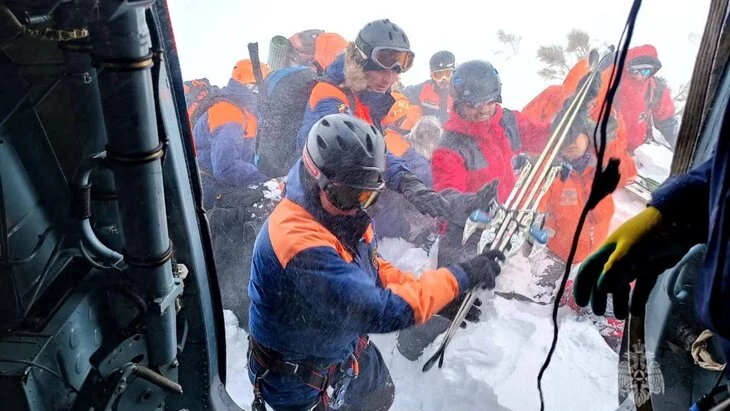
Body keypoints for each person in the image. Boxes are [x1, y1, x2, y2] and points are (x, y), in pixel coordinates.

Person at [246, 114, 504, 410]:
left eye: (368, 196)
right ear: (316, 177)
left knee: (379, 395)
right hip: (296, 377)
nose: (356, 208)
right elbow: (376, 310)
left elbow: (372, 268)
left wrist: (438, 298)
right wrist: (458, 278)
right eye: (347, 196)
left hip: (341, 345)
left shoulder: (335, 213)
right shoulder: (297, 240)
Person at [295, 19, 453, 221]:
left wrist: (414, 183)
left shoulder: (370, 98)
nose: (389, 79)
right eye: (380, 70)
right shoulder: (329, 96)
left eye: (395, 71)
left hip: (346, 195)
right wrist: (406, 183)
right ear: (359, 63)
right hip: (316, 202)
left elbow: (382, 148)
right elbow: (362, 152)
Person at [431, 59, 551, 266]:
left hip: (509, 224)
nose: (483, 110)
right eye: (473, 104)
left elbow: (544, 136)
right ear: (458, 102)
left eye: (489, 101)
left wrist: (573, 122)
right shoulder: (450, 147)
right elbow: (446, 196)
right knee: (467, 279)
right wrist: (472, 204)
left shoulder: (508, 122)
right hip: (467, 234)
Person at [193, 58, 272, 209]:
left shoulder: (246, 112)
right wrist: (264, 179)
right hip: (208, 190)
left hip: (220, 184)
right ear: (251, 87)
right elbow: (226, 168)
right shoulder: (229, 113)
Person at [370, 116, 442, 244]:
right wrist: (406, 227)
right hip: (381, 218)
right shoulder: (421, 167)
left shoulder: (393, 139)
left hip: (367, 204)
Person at [615, 44, 679, 151]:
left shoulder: (656, 89)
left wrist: (683, 147)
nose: (640, 76)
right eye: (635, 71)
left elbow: (667, 123)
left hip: (636, 152)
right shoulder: (612, 81)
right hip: (606, 147)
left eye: (646, 71)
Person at [403, 50, 455, 124]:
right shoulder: (426, 88)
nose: (443, 80)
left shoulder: (459, 93)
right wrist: (417, 119)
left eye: (447, 74)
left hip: (451, 130)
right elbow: (407, 93)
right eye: (438, 75)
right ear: (432, 76)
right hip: (426, 128)